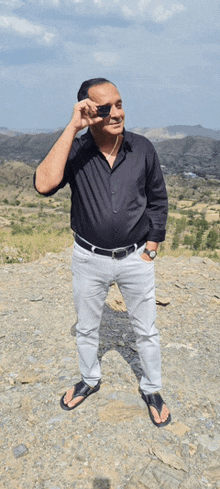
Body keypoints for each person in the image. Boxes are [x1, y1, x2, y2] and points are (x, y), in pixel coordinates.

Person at [34, 77, 171, 427]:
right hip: (88, 259)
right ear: (88, 110)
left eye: (120, 104)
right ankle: (90, 380)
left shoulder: (142, 149)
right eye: (105, 108)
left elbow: (157, 199)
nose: (116, 113)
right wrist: (72, 126)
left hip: (135, 258)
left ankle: (152, 388)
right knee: (87, 329)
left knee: (146, 331)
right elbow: (44, 184)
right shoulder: (77, 150)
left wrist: (151, 249)